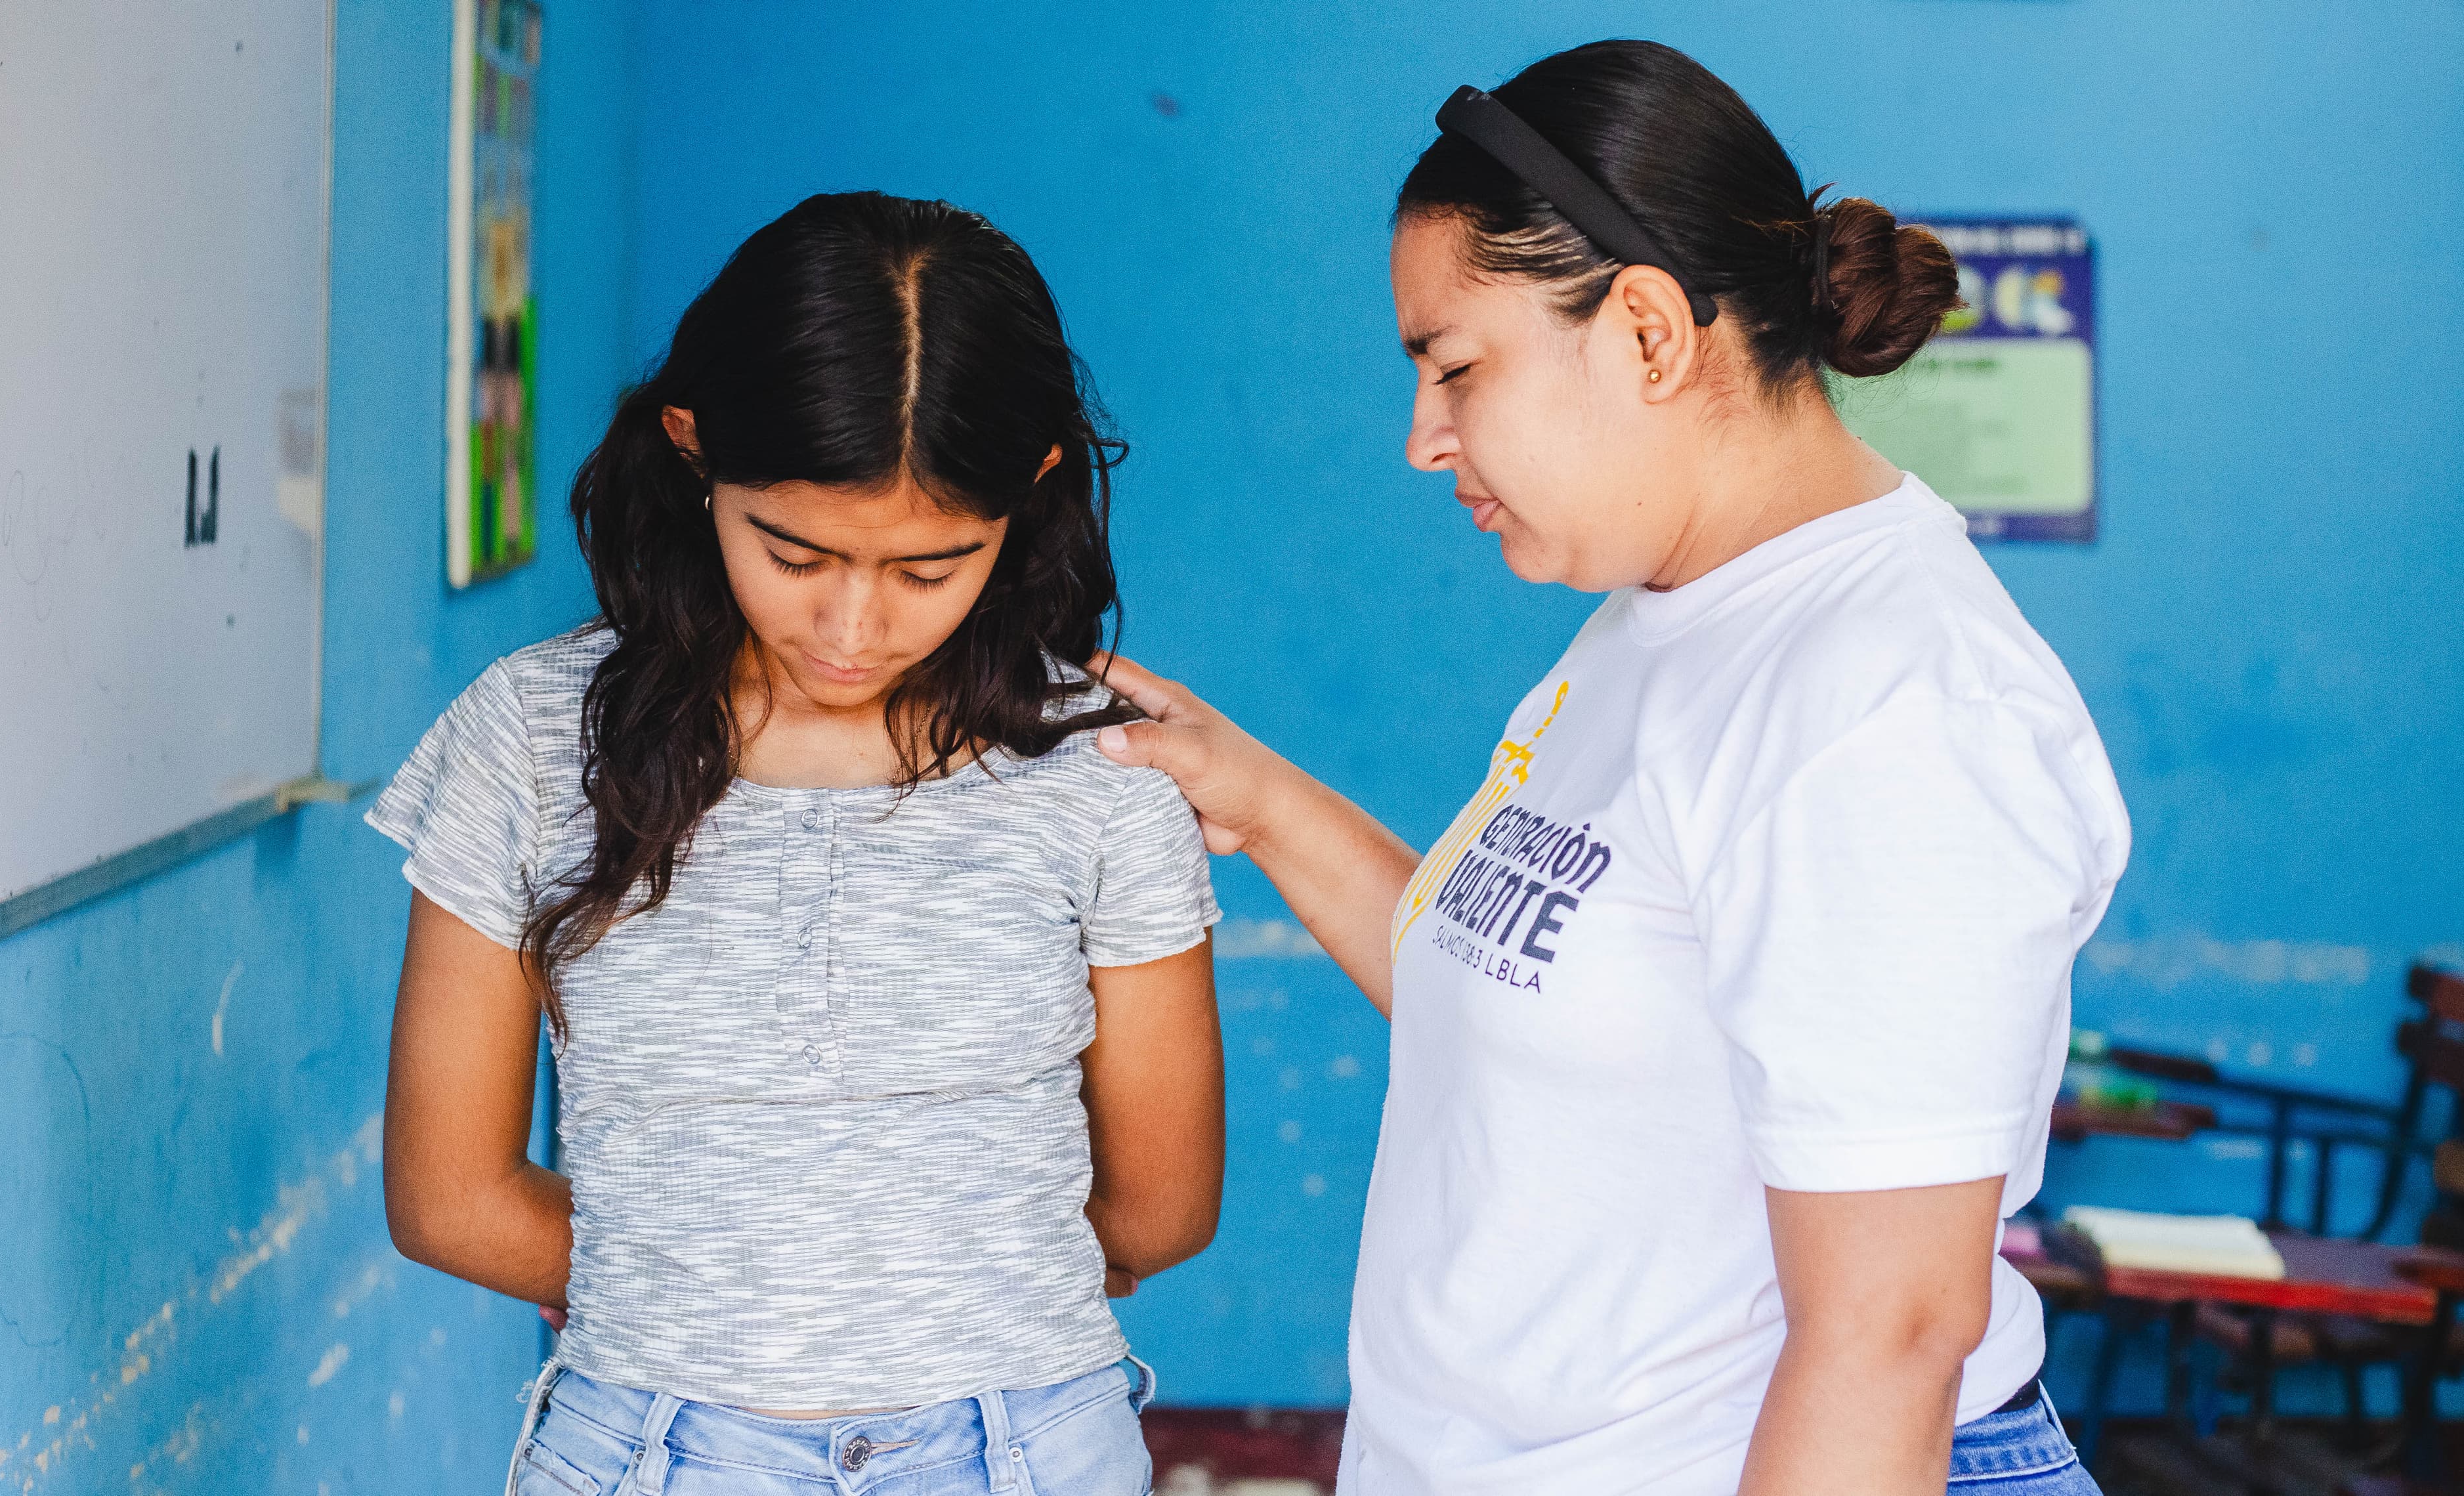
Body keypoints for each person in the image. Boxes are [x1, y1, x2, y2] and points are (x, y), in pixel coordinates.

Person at [1093, 40, 2129, 1496]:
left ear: (1649, 332)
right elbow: (1537, 995)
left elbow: (1890, 1331)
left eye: (1455, 367)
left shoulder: (1881, 704)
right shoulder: (1668, 617)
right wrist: (1261, 799)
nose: (1423, 440)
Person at [368, 192, 1224, 1496]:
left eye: (931, 567)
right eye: (793, 549)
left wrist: (738, 1295)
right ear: (694, 450)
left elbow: (1164, 1205)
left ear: (1031, 489)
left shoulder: (1108, 765)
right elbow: (446, 1196)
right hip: (648, 1456)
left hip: (1024, 1458)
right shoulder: (529, 736)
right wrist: (873, 1291)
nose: (853, 624)